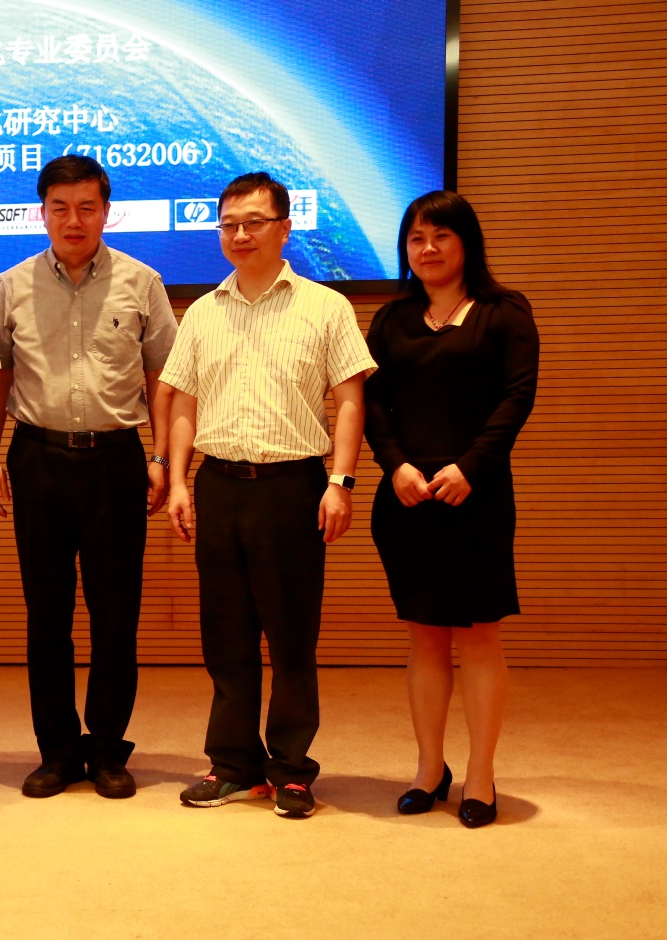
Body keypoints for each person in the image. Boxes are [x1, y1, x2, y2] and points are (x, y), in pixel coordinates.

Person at [160, 171, 376, 818]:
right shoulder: (203, 312)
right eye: (228, 224)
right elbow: (183, 405)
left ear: (284, 227)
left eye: (253, 222)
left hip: (293, 489)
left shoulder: (325, 307)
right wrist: (178, 482)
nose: (239, 235)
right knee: (225, 637)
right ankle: (234, 766)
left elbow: (350, 400)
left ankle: (292, 770)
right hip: (220, 486)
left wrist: (340, 482)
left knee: (290, 638)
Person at [0, 155, 177, 799]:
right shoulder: (11, 284)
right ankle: (58, 751)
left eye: (86, 207)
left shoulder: (141, 282)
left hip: (116, 460)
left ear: (105, 212)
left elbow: (164, 376)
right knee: (48, 615)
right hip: (37, 458)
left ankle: (108, 748)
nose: (73, 220)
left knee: (116, 613)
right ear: (41, 213)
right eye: (59, 208)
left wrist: (162, 458)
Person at [365, 191, 538, 829]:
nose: (428, 248)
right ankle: (428, 769)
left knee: (480, 634)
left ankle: (481, 776)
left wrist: (471, 467)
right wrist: (396, 467)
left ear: (467, 241)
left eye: (440, 235)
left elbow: (517, 397)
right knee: (425, 636)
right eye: (416, 238)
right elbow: (372, 404)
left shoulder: (504, 312)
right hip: (408, 497)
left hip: (477, 496)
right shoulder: (392, 319)